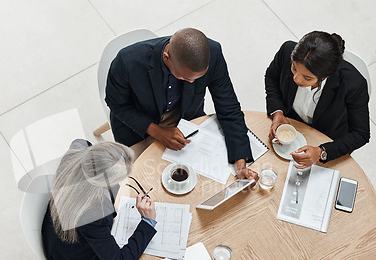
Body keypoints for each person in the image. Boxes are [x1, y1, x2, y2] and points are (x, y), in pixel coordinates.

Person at [105, 27, 258, 182]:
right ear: (167, 57)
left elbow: (229, 107)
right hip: (138, 125)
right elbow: (117, 104)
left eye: (198, 78)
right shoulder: (127, 61)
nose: (192, 82)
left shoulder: (214, 53)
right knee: (145, 181)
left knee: (203, 179)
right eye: (184, 77)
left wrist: (240, 161)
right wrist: (157, 131)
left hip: (185, 118)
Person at [41, 139, 157, 260]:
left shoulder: (80, 149)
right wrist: (147, 221)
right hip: (73, 256)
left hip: (58, 224)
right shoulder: (94, 214)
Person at [265, 31, 370, 168]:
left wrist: (322, 152)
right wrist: (277, 112)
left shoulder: (354, 84)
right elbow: (271, 77)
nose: (296, 79)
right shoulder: (286, 51)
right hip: (291, 123)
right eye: (294, 68)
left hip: (326, 135)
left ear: (326, 75)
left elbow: (360, 134)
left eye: (307, 78)